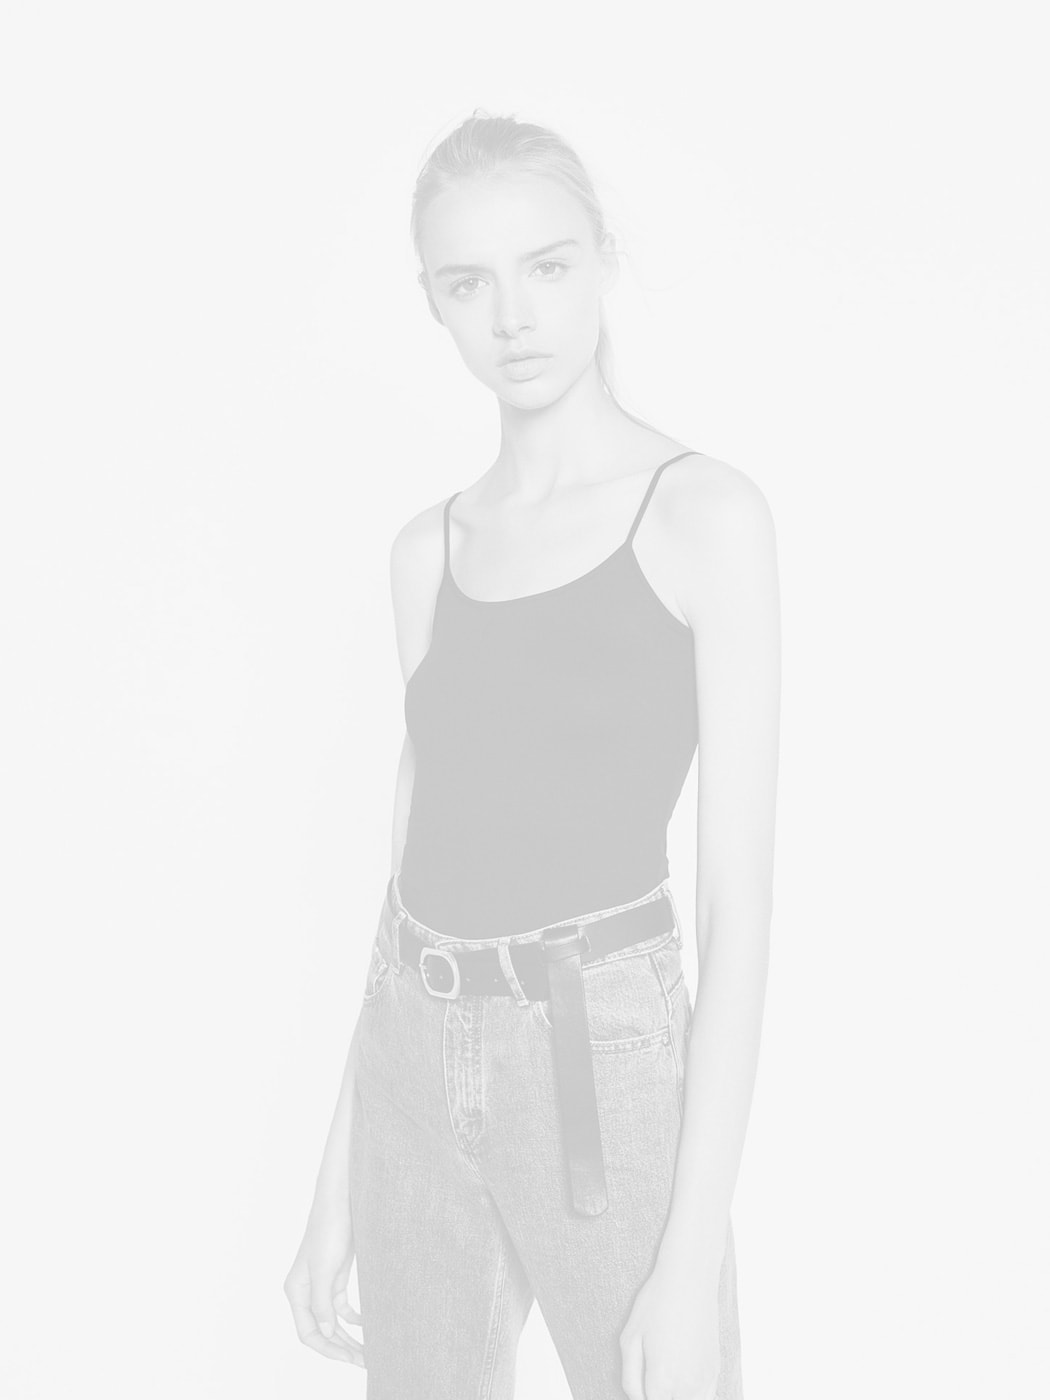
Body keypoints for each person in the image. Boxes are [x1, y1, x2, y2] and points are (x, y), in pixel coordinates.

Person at [284, 111, 780, 1400]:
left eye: (546, 266)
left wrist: (688, 1264)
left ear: (601, 258)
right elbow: (410, 877)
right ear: (433, 303)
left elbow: (739, 908)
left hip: (598, 1058)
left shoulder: (703, 516)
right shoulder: (427, 552)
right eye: (469, 283)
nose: (513, 317)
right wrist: (336, 1185)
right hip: (410, 1056)